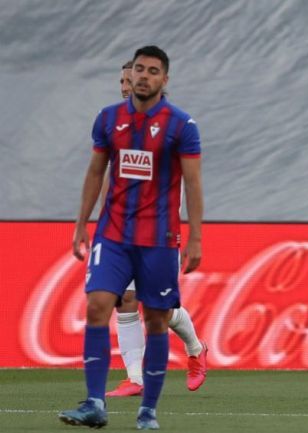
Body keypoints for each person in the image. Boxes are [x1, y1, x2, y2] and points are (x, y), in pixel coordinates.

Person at [59, 45, 204, 429]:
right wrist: (81, 223)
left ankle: (150, 409)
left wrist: (196, 237)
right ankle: (95, 401)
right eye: (136, 70)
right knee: (99, 305)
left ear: (164, 79)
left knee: (157, 318)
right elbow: (96, 172)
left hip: (158, 237)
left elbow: (192, 183)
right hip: (115, 233)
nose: (141, 77)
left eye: (151, 71)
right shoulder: (108, 120)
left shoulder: (181, 126)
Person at [105, 60, 209, 399]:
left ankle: (196, 349)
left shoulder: (173, 126)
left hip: (160, 230)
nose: (126, 85)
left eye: (131, 78)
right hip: (123, 230)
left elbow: (188, 179)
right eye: (123, 79)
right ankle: (134, 378)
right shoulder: (116, 125)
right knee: (125, 300)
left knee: (157, 309)